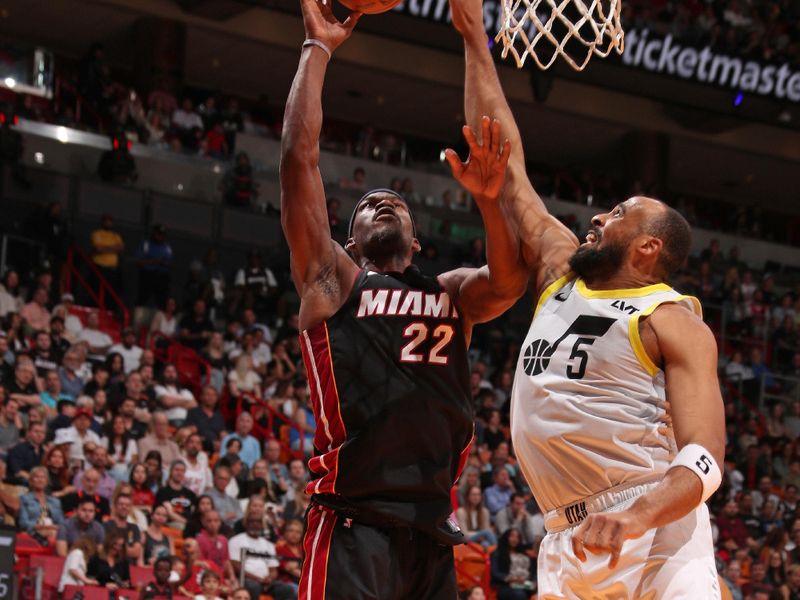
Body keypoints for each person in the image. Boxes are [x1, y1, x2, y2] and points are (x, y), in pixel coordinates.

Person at [450, 0, 725, 596]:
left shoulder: (671, 320)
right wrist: (473, 36)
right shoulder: (558, 273)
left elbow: (704, 460)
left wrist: (636, 516)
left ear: (649, 248)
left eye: (620, 213)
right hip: (564, 537)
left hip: (656, 531)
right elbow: (509, 162)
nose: (600, 215)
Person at [279, 2, 525, 597]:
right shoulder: (333, 284)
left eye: (397, 204)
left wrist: (491, 201)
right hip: (353, 523)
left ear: (416, 240)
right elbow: (297, 159)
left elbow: (511, 281)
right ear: (349, 238)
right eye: (367, 206)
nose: (382, 203)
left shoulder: (450, 293)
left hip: (431, 536)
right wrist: (317, 50)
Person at [228, 513, 295, 600]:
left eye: (258, 522)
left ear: (262, 525)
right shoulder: (236, 540)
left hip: (267, 581)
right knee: (253, 587)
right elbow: (236, 566)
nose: (255, 524)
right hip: (246, 579)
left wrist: (269, 578)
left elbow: (273, 570)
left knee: (288, 589)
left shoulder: (269, 544)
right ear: (246, 524)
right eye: (252, 522)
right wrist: (258, 579)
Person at [18, 465, 64, 540]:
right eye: (36, 477)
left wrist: (54, 527)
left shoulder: (55, 501)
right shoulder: (24, 499)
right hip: (33, 532)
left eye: (43, 477)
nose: (40, 480)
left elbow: (62, 523)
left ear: (47, 481)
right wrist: (43, 526)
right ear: (31, 481)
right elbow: (23, 523)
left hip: (53, 531)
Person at [490, 528, 536, 600]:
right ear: (506, 537)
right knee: (519, 595)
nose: (515, 539)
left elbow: (533, 571)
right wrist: (512, 578)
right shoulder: (498, 554)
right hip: (507, 586)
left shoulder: (525, 554)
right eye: (512, 536)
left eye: (517, 537)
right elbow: (495, 572)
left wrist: (533, 581)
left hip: (526, 584)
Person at [104, 492, 143, 563]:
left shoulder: (134, 528)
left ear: (130, 508)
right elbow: (106, 549)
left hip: (129, 567)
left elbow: (136, 552)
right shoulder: (106, 526)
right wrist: (128, 549)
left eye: (127, 505)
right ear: (115, 507)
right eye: (121, 504)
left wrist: (116, 547)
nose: (124, 507)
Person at [205, 464, 243, 528]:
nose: (223, 482)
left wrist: (221, 515)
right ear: (215, 478)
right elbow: (205, 517)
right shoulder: (206, 497)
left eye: (226, 479)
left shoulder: (234, 501)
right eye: (220, 478)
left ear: (229, 481)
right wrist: (225, 516)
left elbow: (240, 517)